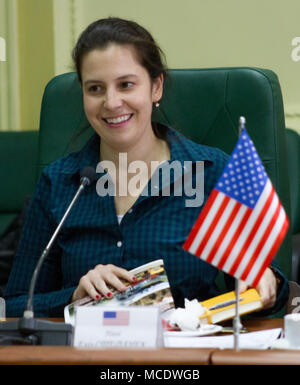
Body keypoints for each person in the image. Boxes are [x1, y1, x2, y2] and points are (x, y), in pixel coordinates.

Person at [4, 17, 289, 317]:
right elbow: (15, 304)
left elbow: (271, 285)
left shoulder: (210, 170)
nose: (111, 102)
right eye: (95, 88)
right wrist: (74, 295)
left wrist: (264, 278)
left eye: (126, 84)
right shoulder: (59, 182)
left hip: (184, 356)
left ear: (156, 87)